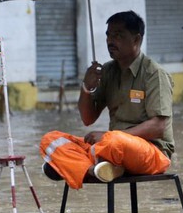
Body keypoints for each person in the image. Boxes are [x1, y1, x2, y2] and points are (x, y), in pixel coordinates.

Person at [40, 11, 174, 189]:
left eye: (118, 35)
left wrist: (109, 136)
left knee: (113, 142)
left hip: (152, 153)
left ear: (136, 40)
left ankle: (75, 166)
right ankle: (95, 170)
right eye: (108, 35)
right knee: (51, 140)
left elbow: (158, 127)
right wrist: (87, 87)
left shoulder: (154, 74)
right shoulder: (108, 71)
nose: (111, 41)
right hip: (112, 149)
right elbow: (88, 118)